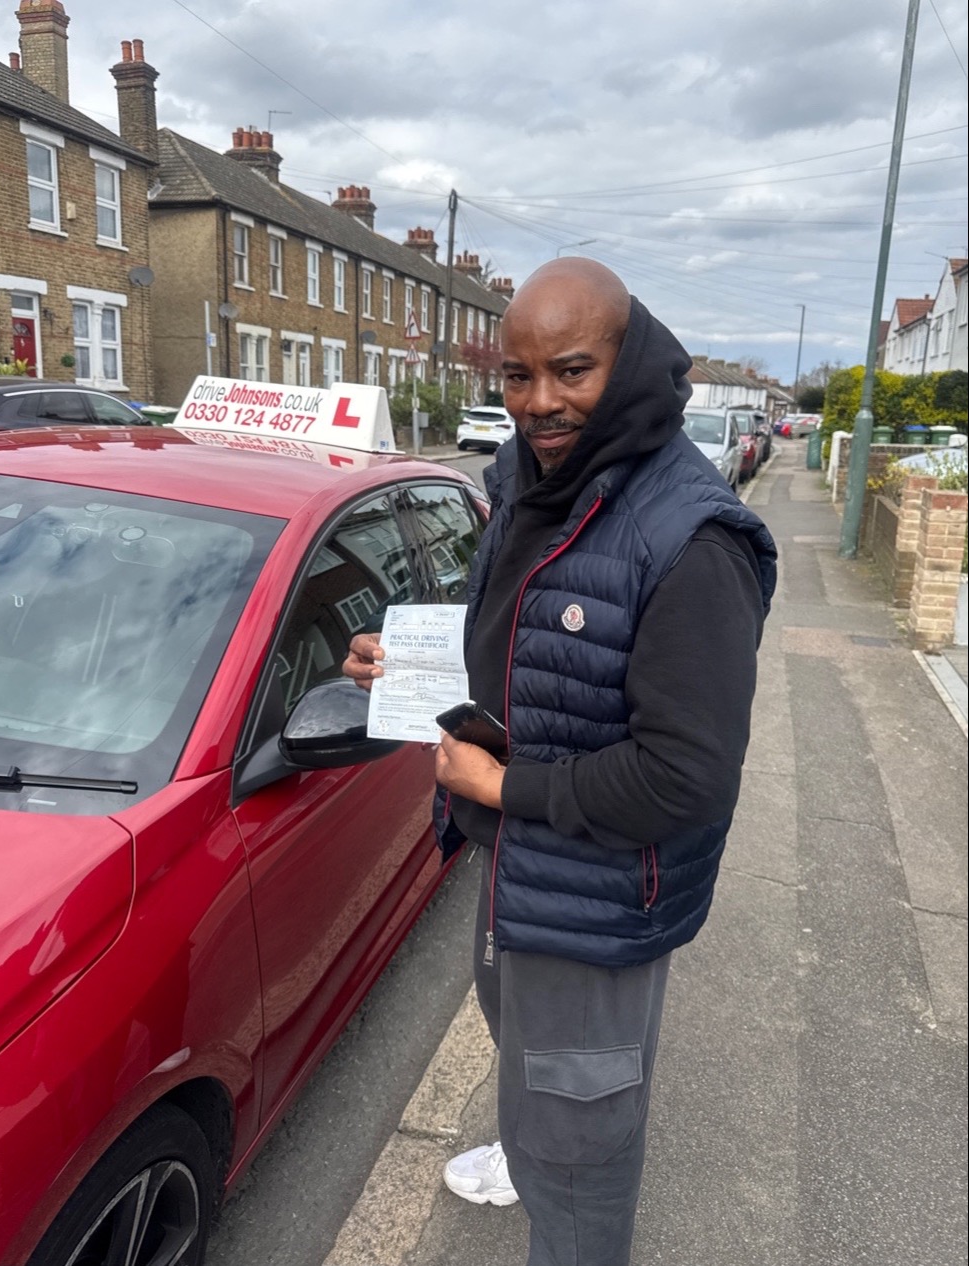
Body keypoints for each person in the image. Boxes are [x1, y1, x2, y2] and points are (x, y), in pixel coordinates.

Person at [343, 258, 777, 1266]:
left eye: (570, 372)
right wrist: (407, 663)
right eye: (515, 375)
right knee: (528, 1055)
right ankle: (526, 1139)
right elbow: (524, 634)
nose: (538, 403)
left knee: (581, 1153)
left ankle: (560, 1188)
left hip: (596, 889)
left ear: (626, 366)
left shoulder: (689, 536)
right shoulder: (538, 480)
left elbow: (685, 776)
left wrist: (503, 786)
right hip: (523, 860)